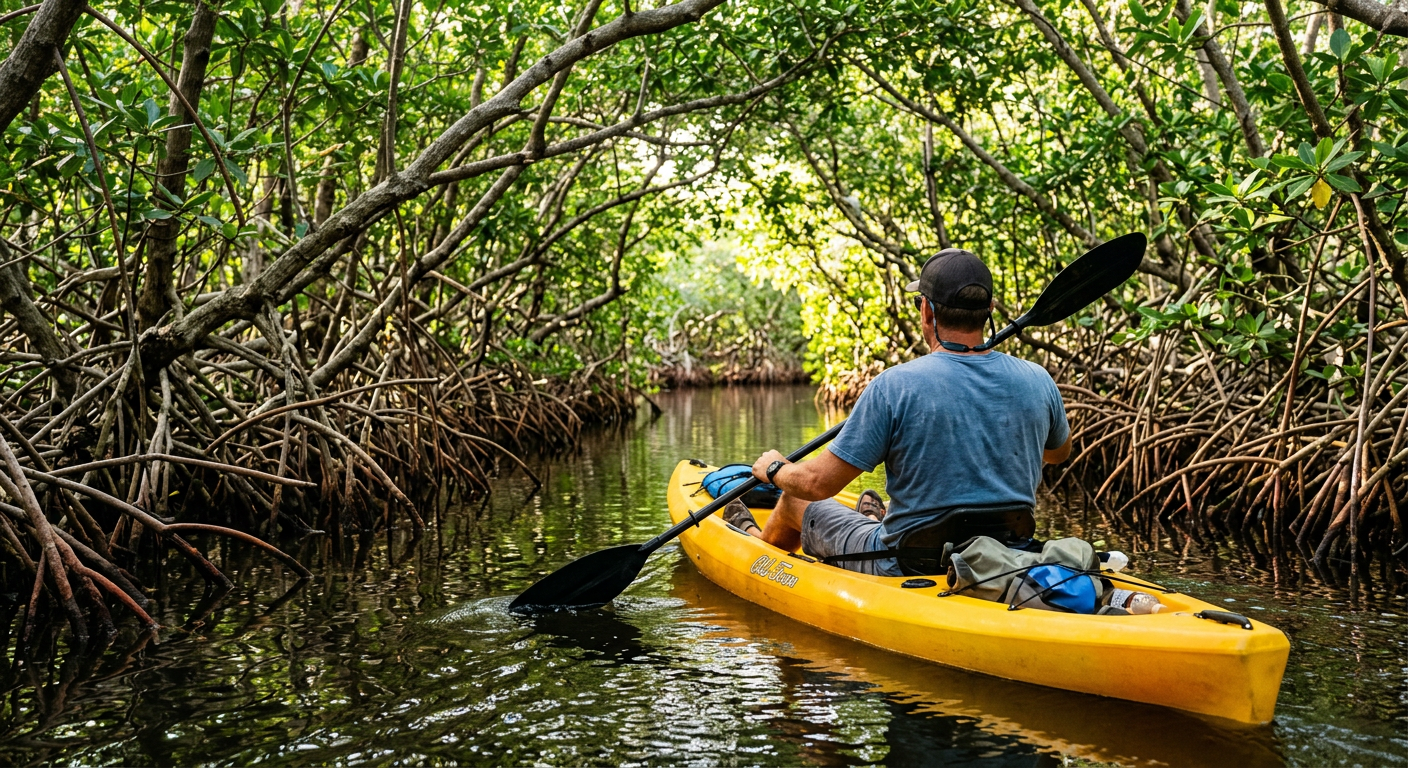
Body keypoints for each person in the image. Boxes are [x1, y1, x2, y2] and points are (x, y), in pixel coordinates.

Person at [723, 249, 1072, 575]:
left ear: (927, 311)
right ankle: (877, 518)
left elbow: (816, 485)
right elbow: (1058, 454)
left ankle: (758, 548)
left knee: (793, 501)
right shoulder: (1038, 379)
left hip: (906, 562)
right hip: (1009, 553)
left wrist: (774, 468)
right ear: (989, 309)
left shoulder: (894, 386)